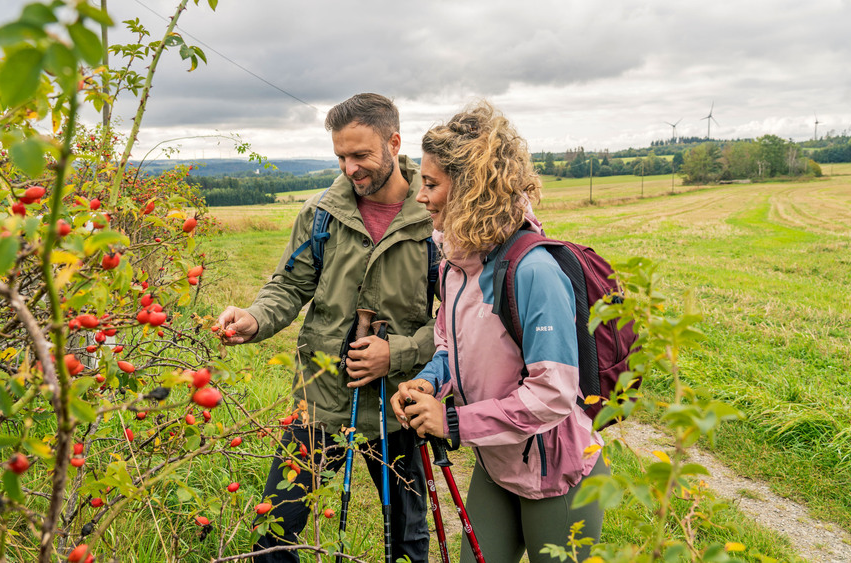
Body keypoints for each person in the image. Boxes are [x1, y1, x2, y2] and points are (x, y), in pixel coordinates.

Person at [217, 93, 433, 563]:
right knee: (275, 531)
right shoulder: (320, 215)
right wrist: (255, 318)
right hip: (320, 403)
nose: (349, 169)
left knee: (408, 539)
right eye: (340, 156)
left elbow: (458, 323)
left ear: (394, 143)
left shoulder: (434, 218)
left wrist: (394, 354)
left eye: (361, 155)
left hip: (402, 405)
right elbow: (290, 286)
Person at [390, 101, 608, 563]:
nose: (421, 197)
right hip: (498, 462)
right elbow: (450, 344)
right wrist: (430, 380)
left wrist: (452, 423)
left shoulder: (534, 271)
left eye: (431, 184)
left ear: (470, 188)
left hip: (560, 473)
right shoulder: (455, 265)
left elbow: (553, 394)